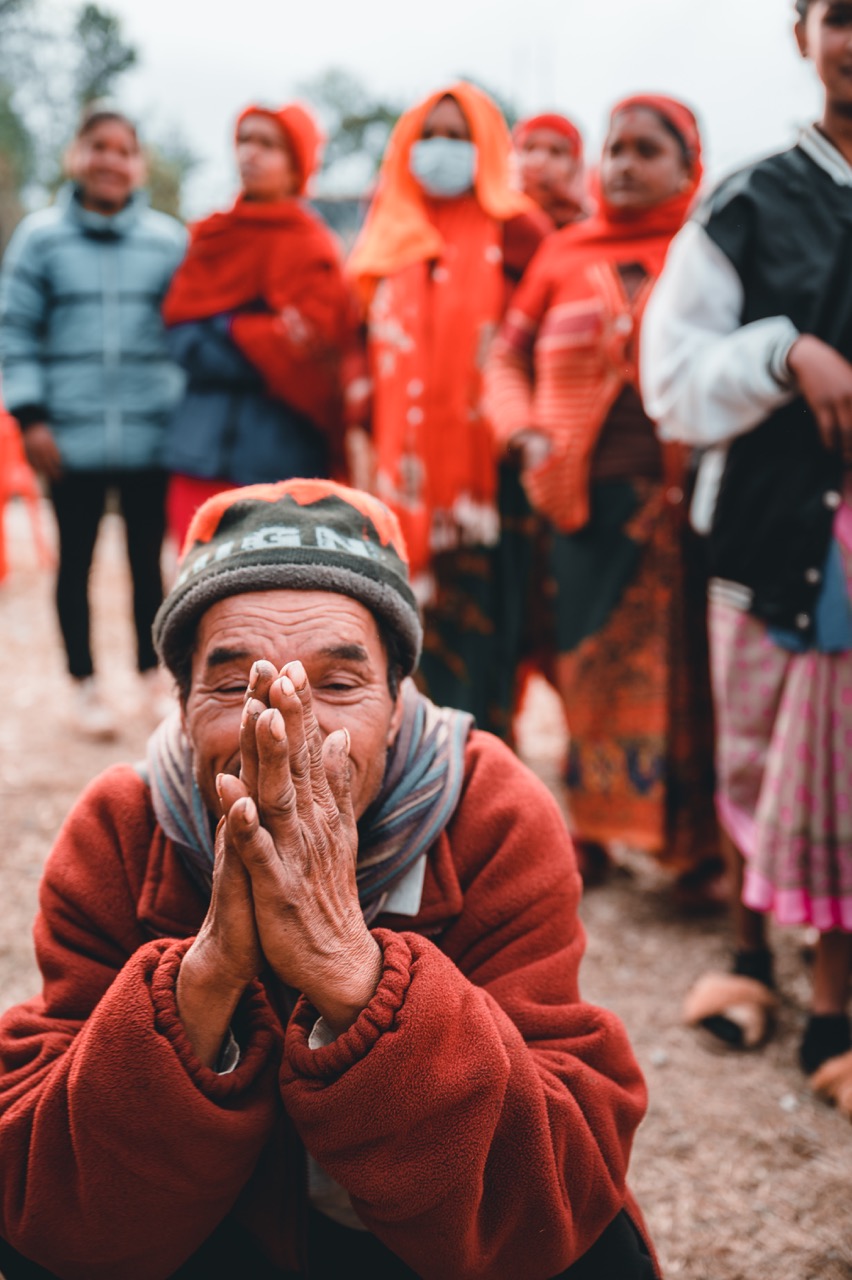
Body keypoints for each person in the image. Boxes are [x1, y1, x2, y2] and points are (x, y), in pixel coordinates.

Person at [0, 478, 659, 1279]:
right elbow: (50, 1199)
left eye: (339, 683)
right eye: (233, 682)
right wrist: (203, 983)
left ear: (398, 700)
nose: (283, 725)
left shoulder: (490, 813)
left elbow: (552, 1188)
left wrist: (350, 968)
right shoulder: (123, 826)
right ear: (177, 705)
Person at [642, 0, 852, 1112]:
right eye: (843, 15)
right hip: (769, 525)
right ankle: (748, 953)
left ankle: (837, 993)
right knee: (758, 749)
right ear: (803, 33)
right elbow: (669, 376)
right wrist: (784, 355)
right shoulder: (752, 201)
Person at [484, 96, 722, 896]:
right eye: (615, 148)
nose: (623, 164)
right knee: (590, 670)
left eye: (647, 151)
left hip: (685, 507)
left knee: (689, 672)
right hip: (581, 504)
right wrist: (523, 434)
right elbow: (504, 361)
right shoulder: (561, 255)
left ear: (689, 168)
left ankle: (695, 848)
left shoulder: (709, 250)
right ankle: (597, 832)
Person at [347, 82, 551, 738]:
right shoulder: (385, 233)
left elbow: (539, 346)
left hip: (492, 482)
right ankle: (418, 762)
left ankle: (489, 763)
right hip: (399, 481)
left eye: (458, 135)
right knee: (406, 629)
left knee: (494, 625)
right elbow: (355, 349)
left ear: (488, 144)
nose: (442, 149)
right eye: (428, 134)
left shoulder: (519, 230)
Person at [0, 103, 186, 738]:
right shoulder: (41, 238)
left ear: (140, 166)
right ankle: (84, 686)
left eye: (124, 149)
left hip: (151, 432)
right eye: (98, 146)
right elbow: (15, 328)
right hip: (67, 436)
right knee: (73, 561)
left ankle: (149, 677)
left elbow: (187, 332)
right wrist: (30, 415)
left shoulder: (168, 241)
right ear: (76, 156)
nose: (111, 159)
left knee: (146, 562)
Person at [162, 103, 357, 547]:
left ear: (297, 165)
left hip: (283, 455)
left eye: (267, 145)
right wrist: (258, 337)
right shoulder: (211, 238)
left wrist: (226, 326)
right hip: (200, 453)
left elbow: (314, 351)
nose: (250, 154)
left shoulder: (312, 248)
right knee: (196, 589)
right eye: (244, 141)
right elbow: (181, 336)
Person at [513, 112, 589, 229]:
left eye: (555, 151)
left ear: (575, 166)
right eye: (530, 148)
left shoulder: (589, 228)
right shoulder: (498, 225)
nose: (539, 161)